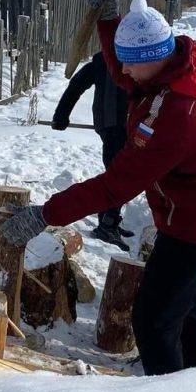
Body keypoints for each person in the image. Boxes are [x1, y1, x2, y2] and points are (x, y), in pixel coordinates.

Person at [0, 0, 196, 375]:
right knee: (188, 305)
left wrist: (46, 213)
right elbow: (125, 71)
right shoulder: (177, 70)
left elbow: (115, 186)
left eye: (132, 61)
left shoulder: (179, 115)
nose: (122, 70)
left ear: (153, 56)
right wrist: (109, 22)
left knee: (154, 320)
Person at [50, 50, 133, 250]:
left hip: (120, 125)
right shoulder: (105, 60)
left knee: (119, 173)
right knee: (121, 176)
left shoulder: (117, 58)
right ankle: (107, 224)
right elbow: (76, 85)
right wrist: (61, 116)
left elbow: (76, 85)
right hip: (114, 125)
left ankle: (109, 217)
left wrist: (61, 115)